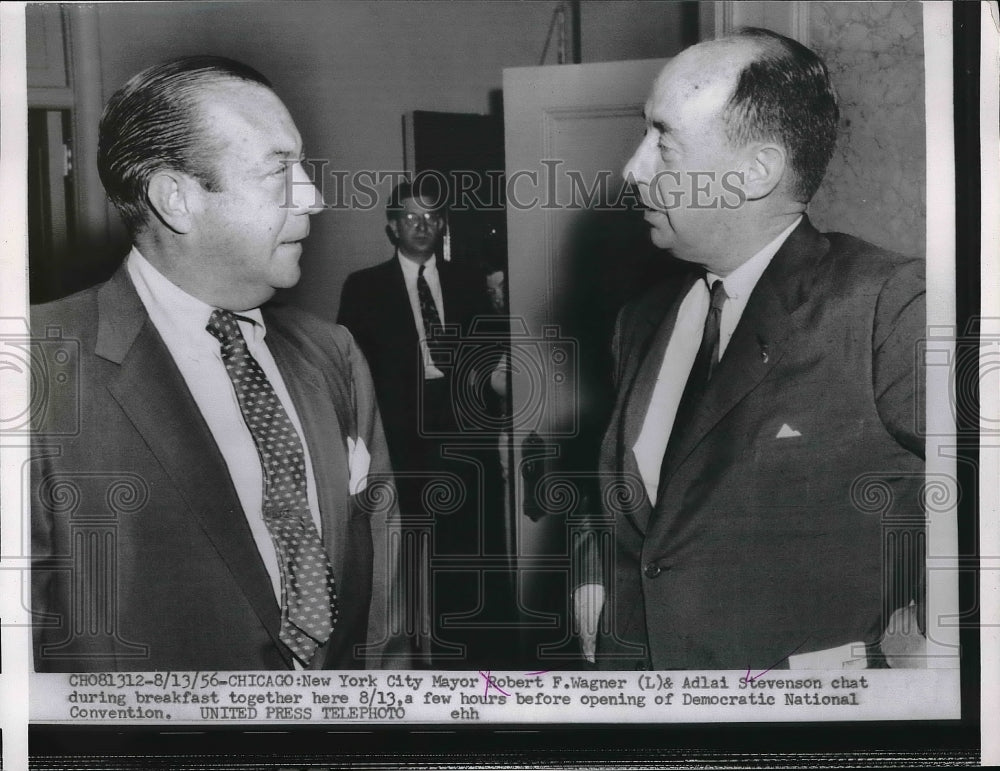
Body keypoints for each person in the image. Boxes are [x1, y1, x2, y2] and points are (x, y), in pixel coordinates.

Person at [31, 56, 408, 672]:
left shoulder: (333, 356)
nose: (313, 198)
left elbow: (389, 613)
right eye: (279, 171)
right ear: (176, 199)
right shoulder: (35, 365)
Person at [574, 28, 926, 671]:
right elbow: (629, 504)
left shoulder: (889, 305)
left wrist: (932, 644)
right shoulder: (640, 321)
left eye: (664, 142)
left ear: (756, 172)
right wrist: (592, 578)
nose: (633, 169)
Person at [338, 179, 509, 668]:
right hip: (401, 438)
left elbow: (489, 359)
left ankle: (472, 660)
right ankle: (414, 664)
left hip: (464, 437)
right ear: (393, 226)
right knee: (407, 556)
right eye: (410, 217)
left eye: (432, 217)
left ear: (443, 225)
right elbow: (352, 373)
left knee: (469, 553)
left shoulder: (469, 280)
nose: (422, 226)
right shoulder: (364, 287)